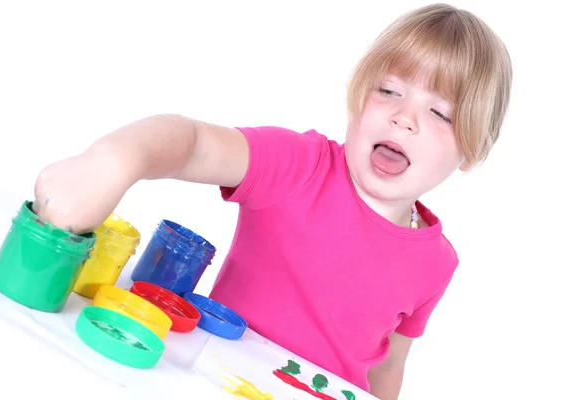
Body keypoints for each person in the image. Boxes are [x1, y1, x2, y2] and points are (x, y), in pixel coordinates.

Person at [32, 3, 511, 399]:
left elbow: (387, 372)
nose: (403, 118)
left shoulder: (438, 262)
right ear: (358, 97)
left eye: (439, 113)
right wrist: (114, 161)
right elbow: (194, 142)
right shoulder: (298, 164)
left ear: (471, 150)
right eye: (388, 91)